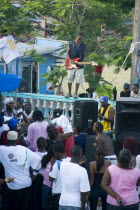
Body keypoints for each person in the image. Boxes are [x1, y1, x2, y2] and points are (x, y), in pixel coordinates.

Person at [0, 131, 41, 210]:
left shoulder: (2, 150)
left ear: (7, 140)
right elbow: (38, 159)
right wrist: (34, 174)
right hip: (27, 184)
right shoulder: (24, 150)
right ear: (16, 140)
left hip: (13, 186)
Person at [59, 145, 90, 210]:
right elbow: (84, 192)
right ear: (81, 154)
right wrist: (83, 207)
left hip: (63, 202)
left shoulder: (62, 165)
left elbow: (71, 167)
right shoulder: (82, 171)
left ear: (70, 153)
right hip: (76, 204)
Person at [49, 142, 71, 210]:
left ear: (57, 153)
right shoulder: (71, 160)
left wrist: (52, 165)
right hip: (68, 193)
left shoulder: (57, 164)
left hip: (58, 194)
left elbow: (51, 179)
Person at [66, 33, 86, 98]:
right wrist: (70, 60)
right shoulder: (71, 43)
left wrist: (82, 62)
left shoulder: (83, 45)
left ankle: (75, 93)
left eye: (81, 39)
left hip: (79, 65)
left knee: (78, 79)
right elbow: (68, 52)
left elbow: (84, 55)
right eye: (79, 38)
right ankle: (69, 93)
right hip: (71, 63)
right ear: (76, 37)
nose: (80, 40)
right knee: (69, 78)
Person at [32, 137, 48, 210]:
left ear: (37, 145)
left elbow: (31, 168)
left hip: (36, 176)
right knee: (43, 196)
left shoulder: (33, 154)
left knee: (35, 195)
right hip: (46, 178)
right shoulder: (48, 154)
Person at [42, 145, 55, 210]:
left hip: (45, 184)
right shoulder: (53, 163)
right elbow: (52, 174)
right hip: (51, 186)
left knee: (44, 202)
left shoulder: (45, 159)